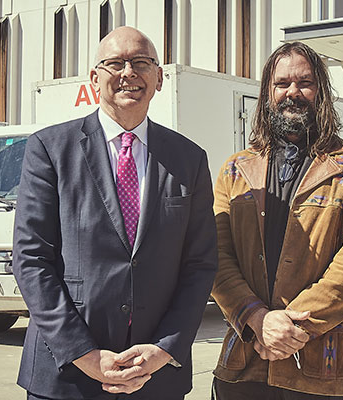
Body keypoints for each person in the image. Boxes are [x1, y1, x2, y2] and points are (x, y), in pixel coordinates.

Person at [12, 27, 217, 400]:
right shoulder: (49, 150)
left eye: (141, 63)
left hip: (155, 376)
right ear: (95, 78)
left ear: (158, 78)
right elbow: (31, 260)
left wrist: (164, 348)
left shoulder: (189, 160)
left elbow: (200, 264)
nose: (128, 73)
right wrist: (83, 354)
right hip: (65, 375)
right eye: (115, 63)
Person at [210, 42, 343, 399]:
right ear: (267, 93)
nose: (293, 92)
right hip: (246, 366)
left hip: (325, 370)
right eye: (282, 84)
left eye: (305, 82)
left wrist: (287, 328)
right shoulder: (235, 169)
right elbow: (215, 256)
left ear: (321, 90)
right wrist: (258, 321)